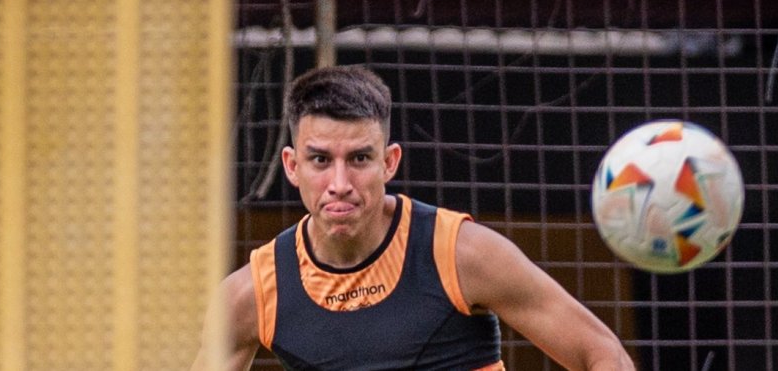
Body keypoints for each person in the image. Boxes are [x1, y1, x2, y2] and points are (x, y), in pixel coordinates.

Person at [191, 65, 635, 371]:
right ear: (291, 166)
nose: (340, 182)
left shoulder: (461, 253)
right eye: (321, 160)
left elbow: (601, 353)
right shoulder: (252, 294)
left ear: (390, 162)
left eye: (360, 158)